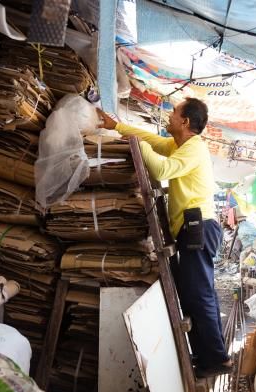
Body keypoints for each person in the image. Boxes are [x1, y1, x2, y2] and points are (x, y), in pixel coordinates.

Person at [97, 98, 231, 377]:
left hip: (199, 227)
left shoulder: (194, 148)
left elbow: (161, 169)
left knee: (199, 294)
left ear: (185, 122)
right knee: (194, 293)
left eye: (174, 113)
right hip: (194, 228)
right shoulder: (180, 145)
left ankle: (216, 359)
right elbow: (154, 140)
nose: (169, 116)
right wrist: (119, 127)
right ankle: (208, 357)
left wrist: (138, 146)